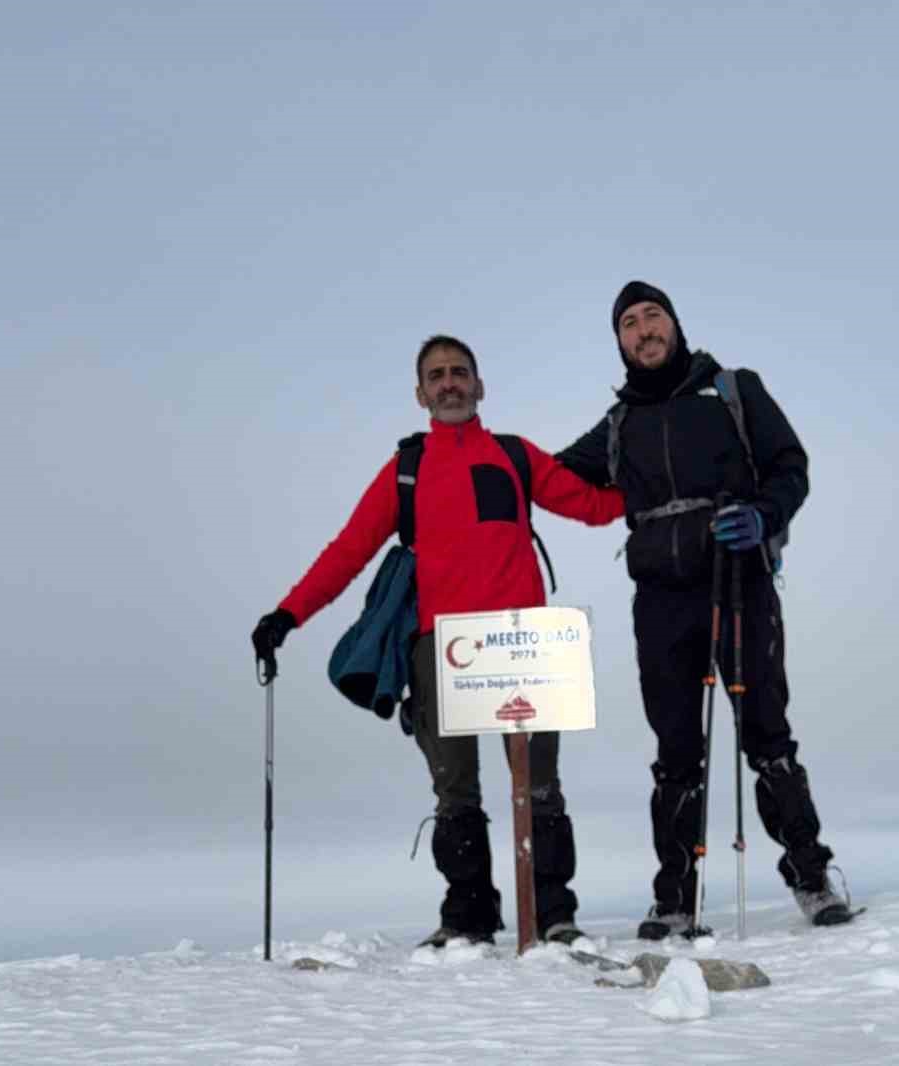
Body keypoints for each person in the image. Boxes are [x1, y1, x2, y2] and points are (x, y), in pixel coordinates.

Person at [252, 334, 624, 948]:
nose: (449, 382)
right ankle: (469, 918)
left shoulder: (514, 455)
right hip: (442, 647)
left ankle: (555, 915)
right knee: (455, 788)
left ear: (480, 386)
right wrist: (288, 615)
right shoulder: (409, 467)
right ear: (421, 393)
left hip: (524, 641)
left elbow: (591, 506)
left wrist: (667, 489)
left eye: (459, 372)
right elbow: (349, 550)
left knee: (539, 787)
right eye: (436, 375)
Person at [556, 281, 853, 937]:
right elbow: (550, 476)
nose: (643, 329)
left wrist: (764, 514)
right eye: (629, 323)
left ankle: (811, 876)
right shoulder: (619, 424)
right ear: (620, 343)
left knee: (766, 732)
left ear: (674, 325)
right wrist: (482, 468)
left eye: (652, 315)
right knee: (675, 750)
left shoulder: (732, 389)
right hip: (660, 598)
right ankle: (675, 900)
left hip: (737, 580)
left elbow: (789, 464)